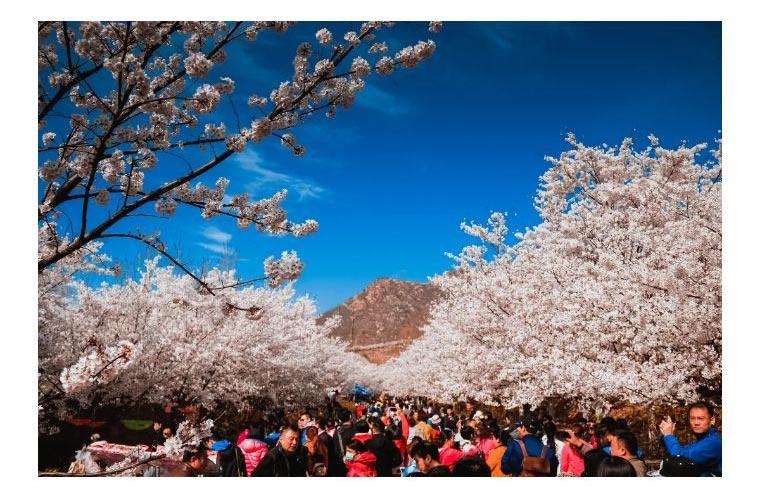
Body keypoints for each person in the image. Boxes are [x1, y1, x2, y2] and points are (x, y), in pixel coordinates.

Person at [659, 401, 721, 476]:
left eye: (700, 418)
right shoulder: (703, 440)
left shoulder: (713, 443)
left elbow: (680, 460)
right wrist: (665, 436)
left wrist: (668, 435)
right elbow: (675, 453)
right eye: (692, 418)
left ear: (712, 420)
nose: (696, 423)